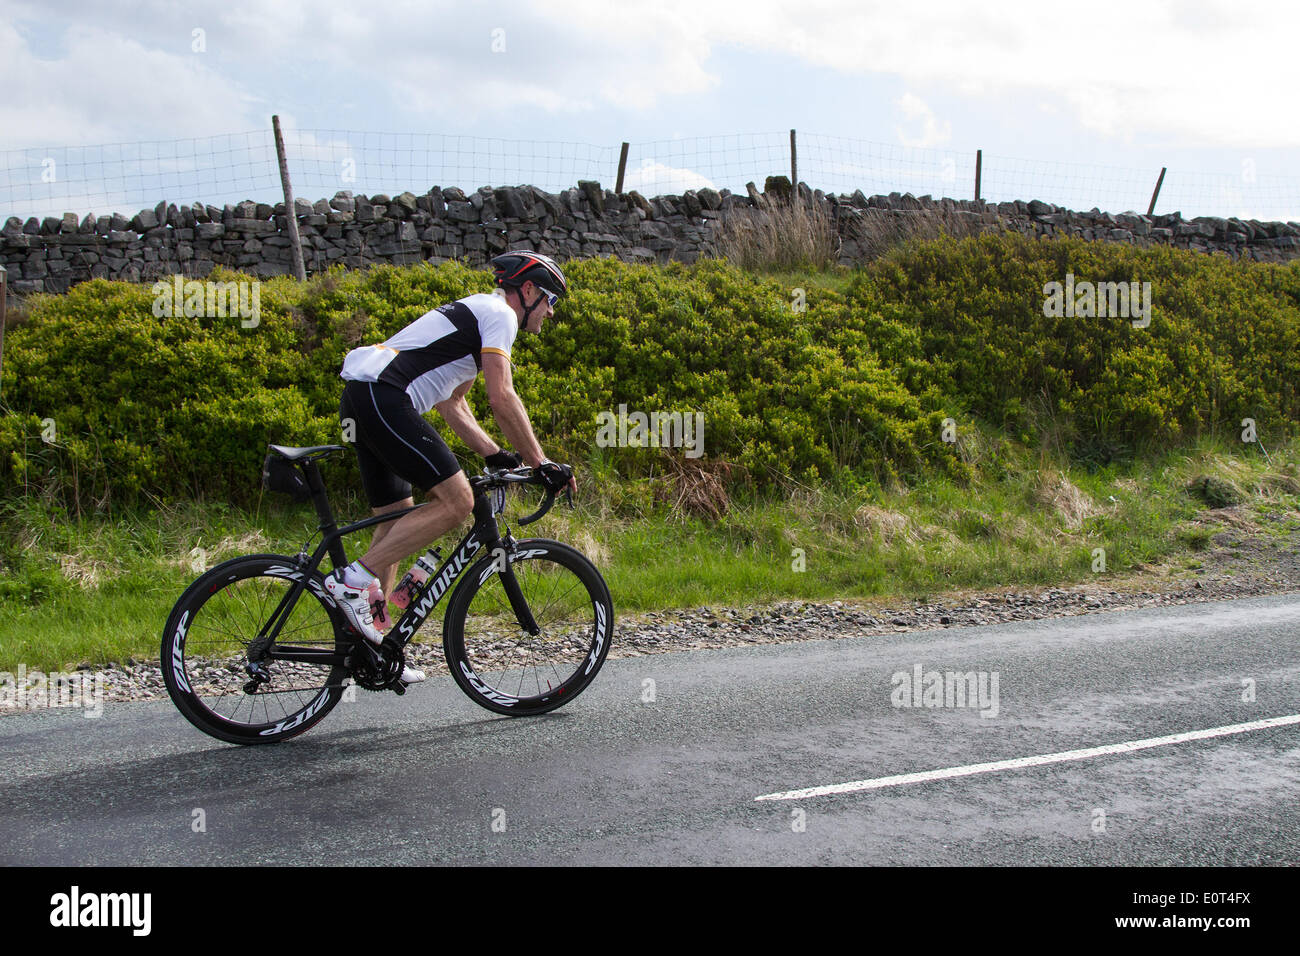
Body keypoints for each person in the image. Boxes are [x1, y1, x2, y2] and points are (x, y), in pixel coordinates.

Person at [322, 251, 577, 683]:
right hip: (385, 396)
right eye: (550, 299)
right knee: (457, 502)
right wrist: (541, 462)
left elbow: (453, 402)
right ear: (528, 291)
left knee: (395, 519)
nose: (551, 312)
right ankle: (351, 581)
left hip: (365, 397)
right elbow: (502, 396)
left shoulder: (478, 314)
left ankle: (376, 646)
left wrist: (494, 452)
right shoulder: (501, 314)